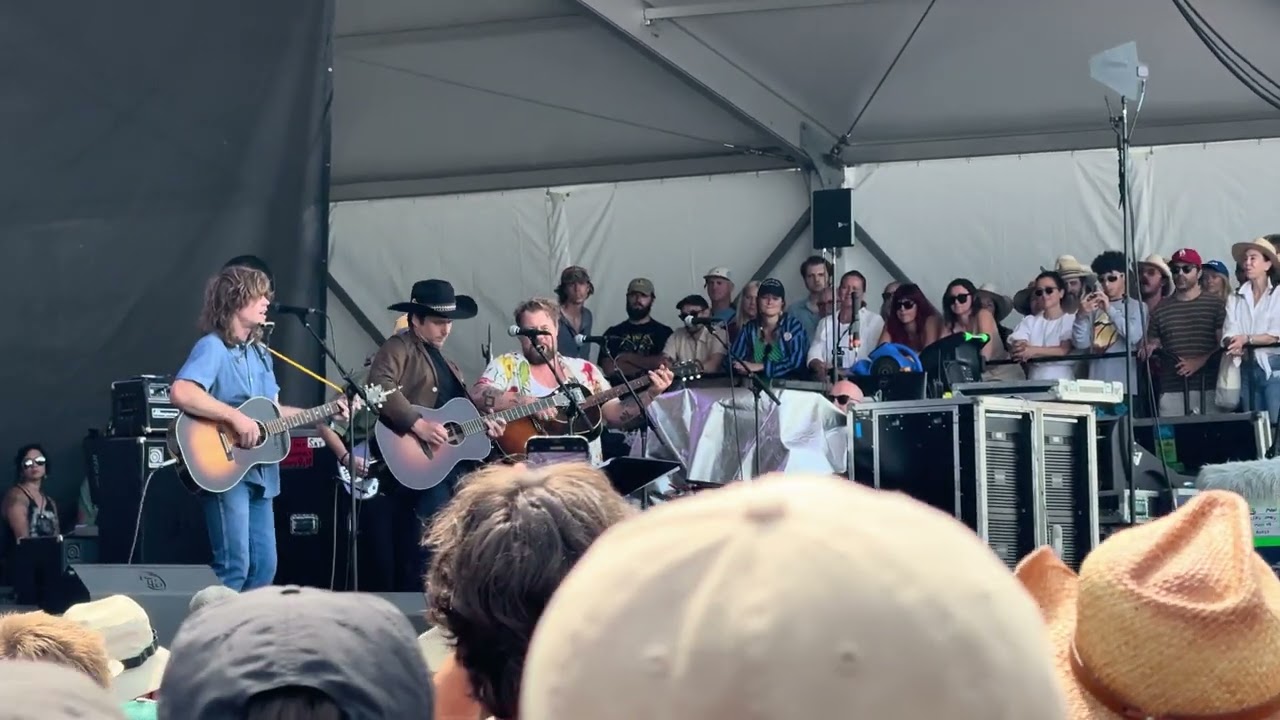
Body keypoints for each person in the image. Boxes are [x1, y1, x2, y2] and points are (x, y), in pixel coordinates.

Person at [170, 266, 348, 591]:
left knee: (265, 568)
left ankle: (247, 625)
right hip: (226, 468)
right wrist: (235, 418)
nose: (267, 301)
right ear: (235, 299)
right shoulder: (213, 347)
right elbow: (182, 391)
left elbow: (273, 412)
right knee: (234, 567)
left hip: (262, 473)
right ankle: (213, 624)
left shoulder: (261, 353)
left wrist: (321, 414)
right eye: (259, 294)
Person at [366, 279, 505, 592]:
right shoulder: (400, 346)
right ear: (416, 320)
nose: (446, 329)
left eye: (449, 322)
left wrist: (487, 427)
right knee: (430, 544)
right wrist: (417, 424)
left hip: (452, 467)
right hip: (422, 467)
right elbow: (377, 385)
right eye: (439, 322)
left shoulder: (448, 364)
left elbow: (459, 418)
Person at [471, 297, 673, 465]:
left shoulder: (585, 371)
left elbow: (614, 415)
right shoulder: (507, 365)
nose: (538, 338)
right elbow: (477, 394)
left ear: (556, 329)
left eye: (544, 330)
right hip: (525, 477)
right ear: (519, 336)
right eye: (530, 332)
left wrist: (651, 394)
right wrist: (528, 402)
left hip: (581, 478)